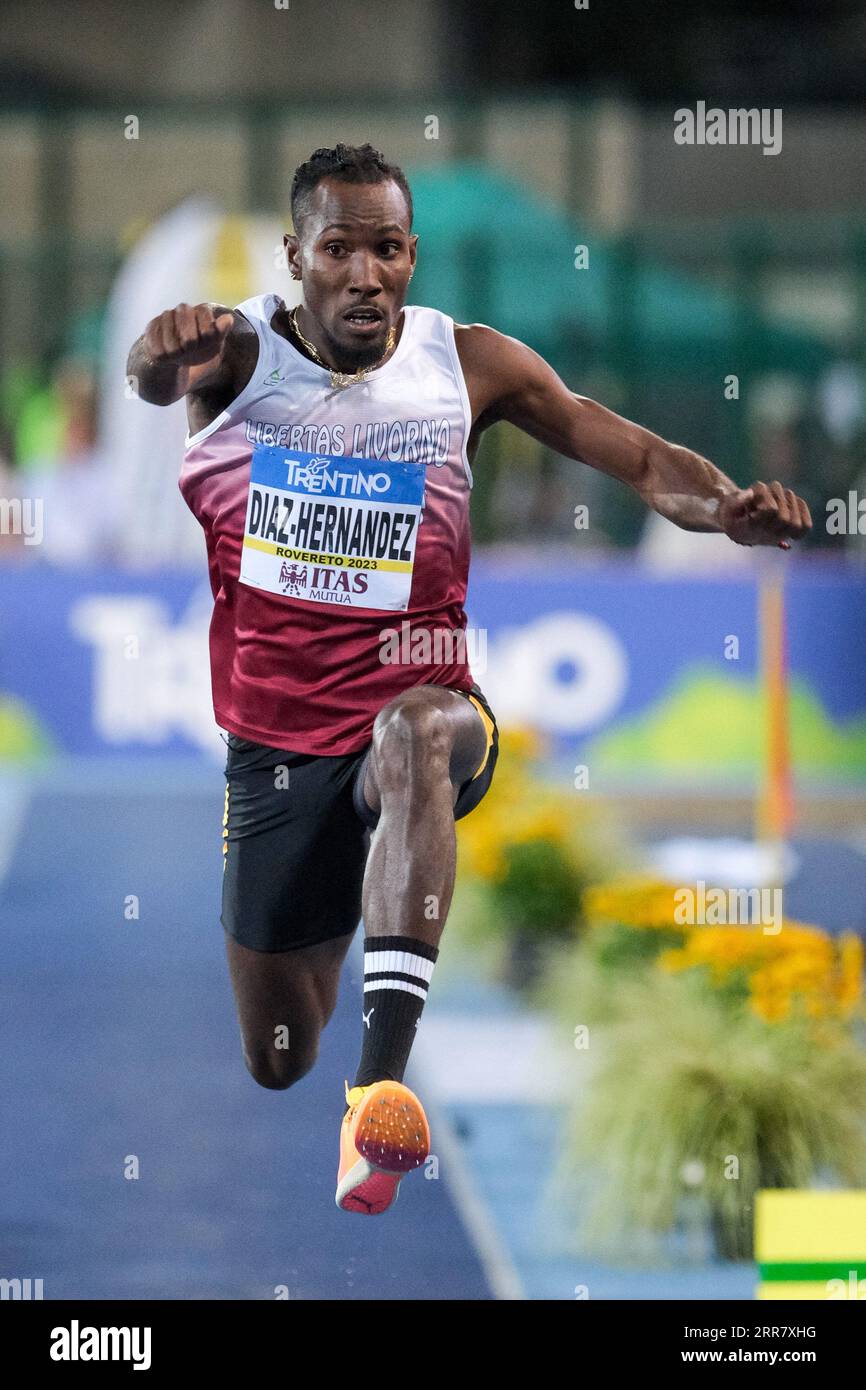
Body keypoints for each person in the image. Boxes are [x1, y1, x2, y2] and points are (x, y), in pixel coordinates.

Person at [126, 143, 812, 1216]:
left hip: (427, 703)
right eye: (339, 249)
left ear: (411, 255)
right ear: (293, 255)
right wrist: (156, 350)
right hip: (277, 747)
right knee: (273, 1052)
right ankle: (361, 888)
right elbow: (151, 375)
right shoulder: (236, 352)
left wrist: (720, 505)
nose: (366, 274)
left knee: (412, 739)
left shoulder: (469, 365)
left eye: (388, 249)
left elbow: (632, 456)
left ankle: (380, 1093)